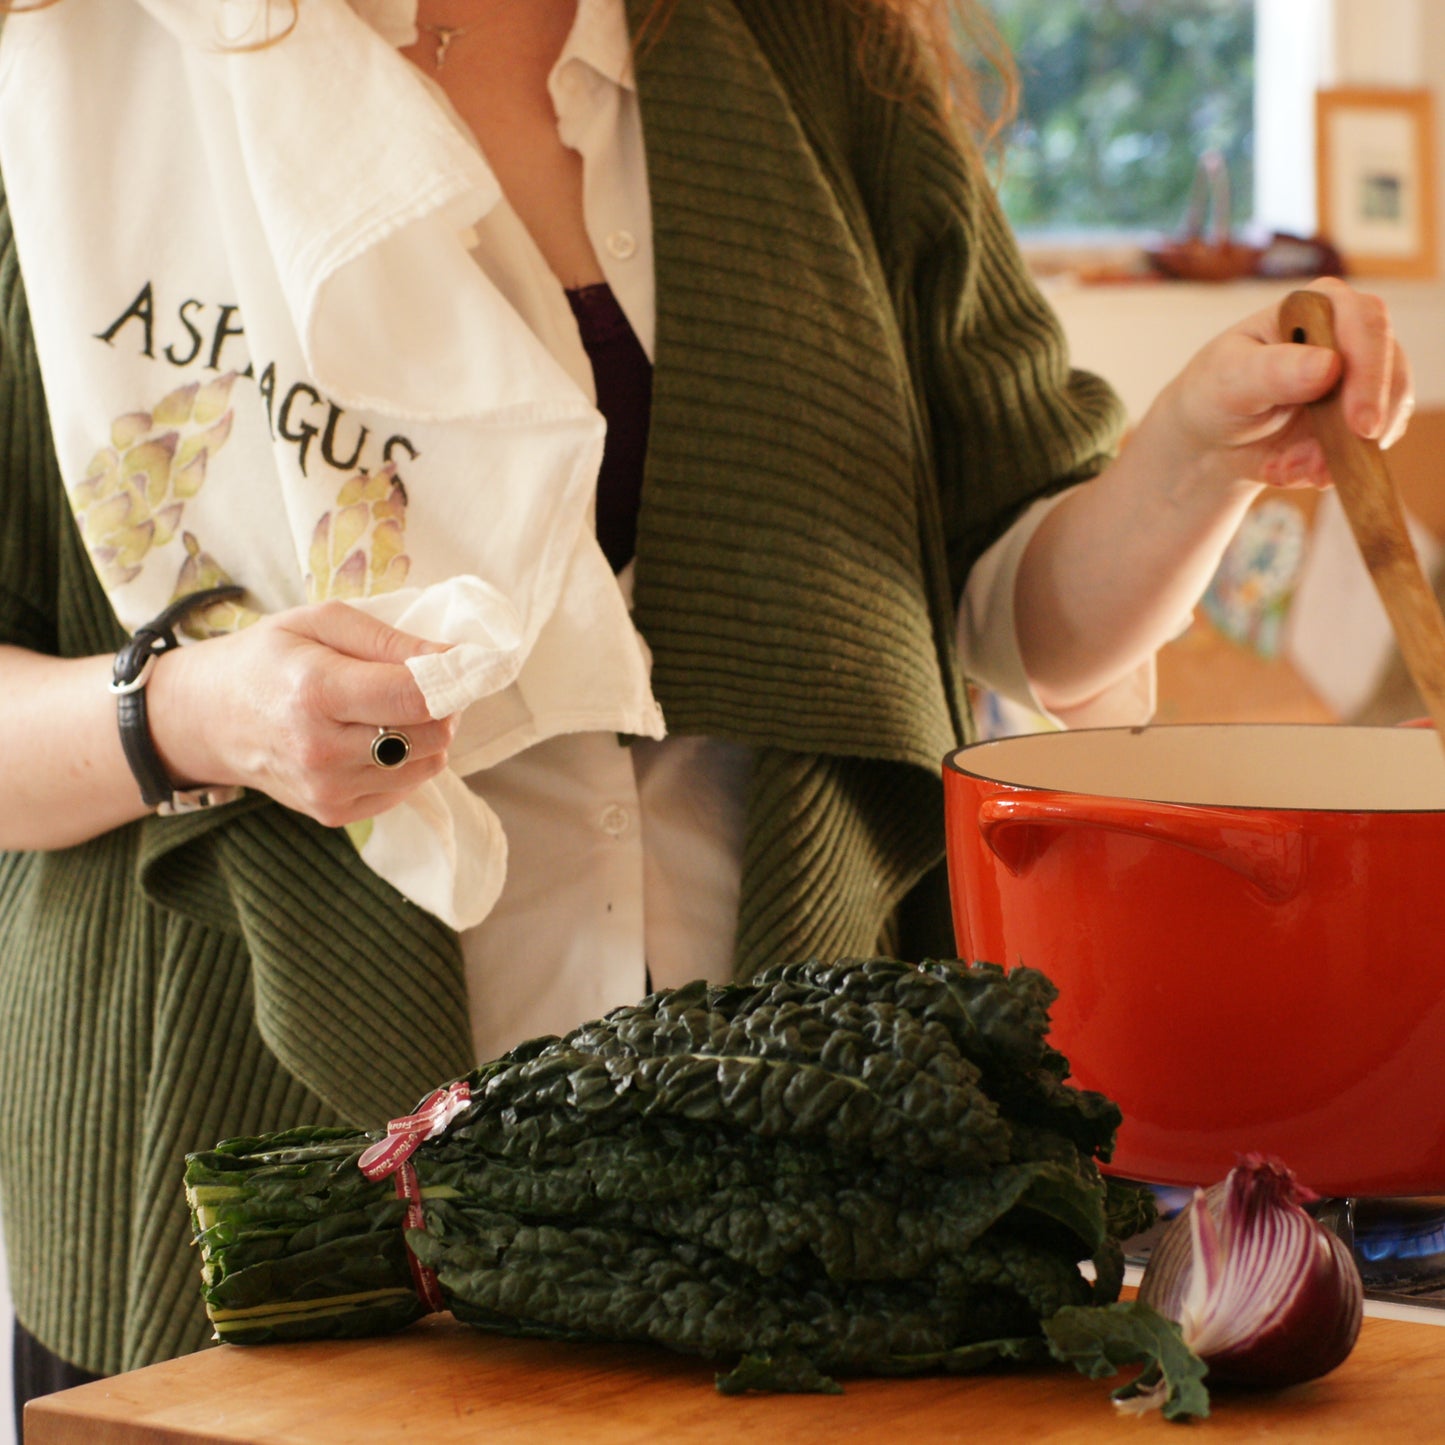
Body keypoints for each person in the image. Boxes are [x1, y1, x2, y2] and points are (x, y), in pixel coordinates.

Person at [0, 0, 1413, 1427]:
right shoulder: (64, 79)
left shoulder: (807, 46)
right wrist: (184, 713)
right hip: (234, 1152)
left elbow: (1019, 606)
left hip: (792, 1205)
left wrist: (1189, 455)